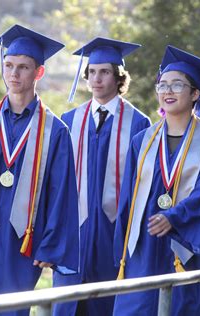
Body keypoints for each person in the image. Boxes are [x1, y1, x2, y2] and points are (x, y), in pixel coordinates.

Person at [0, 24, 79, 315]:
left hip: (22, 243)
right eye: (8, 65)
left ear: (38, 73)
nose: (13, 74)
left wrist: (51, 245)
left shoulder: (55, 131)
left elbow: (62, 192)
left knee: (12, 310)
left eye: (22, 67)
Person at [112, 45, 200, 315]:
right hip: (144, 249)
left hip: (186, 248)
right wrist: (124, 248)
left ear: (196, 93)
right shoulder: (141, 141)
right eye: (162, 84)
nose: (167, 91)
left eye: (177, 85)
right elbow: (127, 201)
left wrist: (174, 217)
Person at [52, 37, 151, 316]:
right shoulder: (69, 121)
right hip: (75, 234)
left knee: (109, 304)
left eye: (104, 71)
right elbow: (57, 184)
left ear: (119, 77)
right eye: (92, 72)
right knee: (68, 305)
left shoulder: (139, 124)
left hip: (114, 235)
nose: (96, 79)